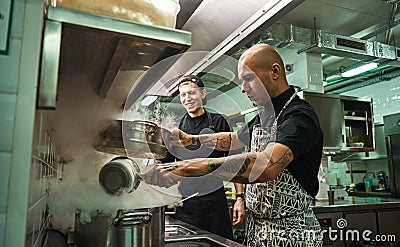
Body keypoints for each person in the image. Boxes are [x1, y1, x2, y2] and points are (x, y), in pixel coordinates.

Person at [145, 44, 323, 246]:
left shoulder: (298, 116)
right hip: (258, 229)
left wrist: (188, 168)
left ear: (275, 72)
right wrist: (191, 140)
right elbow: (234, 139)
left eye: (249, 78)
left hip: (290, 234)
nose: (243, 88)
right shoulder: (266, 114)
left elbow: (266, 166)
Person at [159, 74, 245, 240]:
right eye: (183, 95)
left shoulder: (220, 122)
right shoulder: (175, 128)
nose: (187, 98)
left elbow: (236, 162)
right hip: (186, 204)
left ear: (202, 94)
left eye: (191, 93)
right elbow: (168, 167)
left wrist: (239, 198)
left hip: (215, 202)